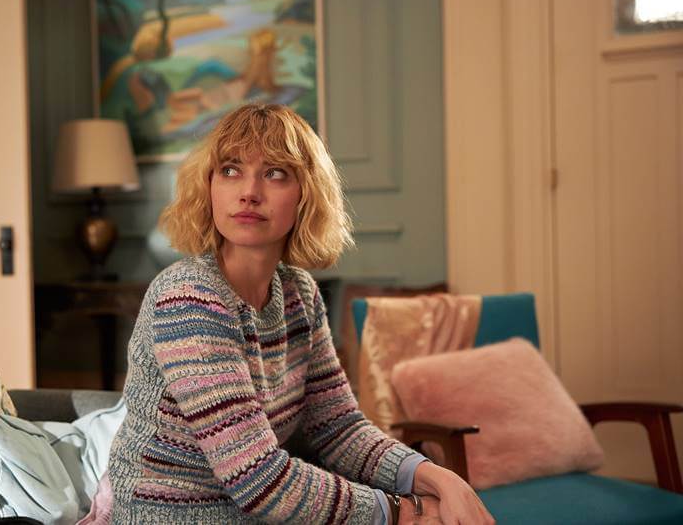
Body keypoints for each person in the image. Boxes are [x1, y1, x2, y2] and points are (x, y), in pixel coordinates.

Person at [108, 103, 494, 524]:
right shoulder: (187, 298)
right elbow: (259, 481)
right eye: (231, 170)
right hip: (168, 515)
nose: (249, 192)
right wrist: (404, 512)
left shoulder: (299, 294)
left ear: (305, 194)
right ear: (209, 186)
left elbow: (339, 428)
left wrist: (439, 479)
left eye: (275, 173)